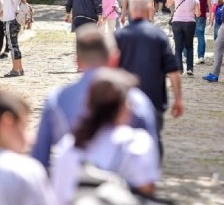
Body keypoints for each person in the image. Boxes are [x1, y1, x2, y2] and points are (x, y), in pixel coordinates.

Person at [31, 24, 158, 169]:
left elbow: (40, 158)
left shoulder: (57, 100)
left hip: (74, 185)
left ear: (77, 61)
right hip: (121, 185)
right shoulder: (136, 100)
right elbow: (149, 159)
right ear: (114, 59)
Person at [51, 68, 160, 204]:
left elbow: (58, 195)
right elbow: (146, 192)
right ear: (121, 107)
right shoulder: (137, 143)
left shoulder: (68, 145)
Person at [115, 0, 184, 156]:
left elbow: (109, 70)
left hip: (126, 99)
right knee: (153, 138)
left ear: (131, 11)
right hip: (153, 98)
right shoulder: (159, 36)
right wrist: (178, 99)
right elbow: (173, 71)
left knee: (124, 138)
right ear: (149, 9)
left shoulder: (119, 36)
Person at [166, 0, 201, 76]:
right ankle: (190, 68)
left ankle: (179, 69)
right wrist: (192, 10)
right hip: (190, 22)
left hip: (177, 22)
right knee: (189, 46)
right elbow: (198, 14)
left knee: (178, 47)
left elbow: (168, 4)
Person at [2, 0, 28, 77]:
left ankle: (15, 69)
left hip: (11, 22)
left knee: (12, 46)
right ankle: (20, 69)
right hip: (12, 21)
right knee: (15, 45)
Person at [191, 0, 211, 64]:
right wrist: (211, 14)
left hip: (190, 15)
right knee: (201, 35)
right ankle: (201, 56)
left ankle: (186, 55)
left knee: (188, 36)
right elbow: (209, 4)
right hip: (202, 14)